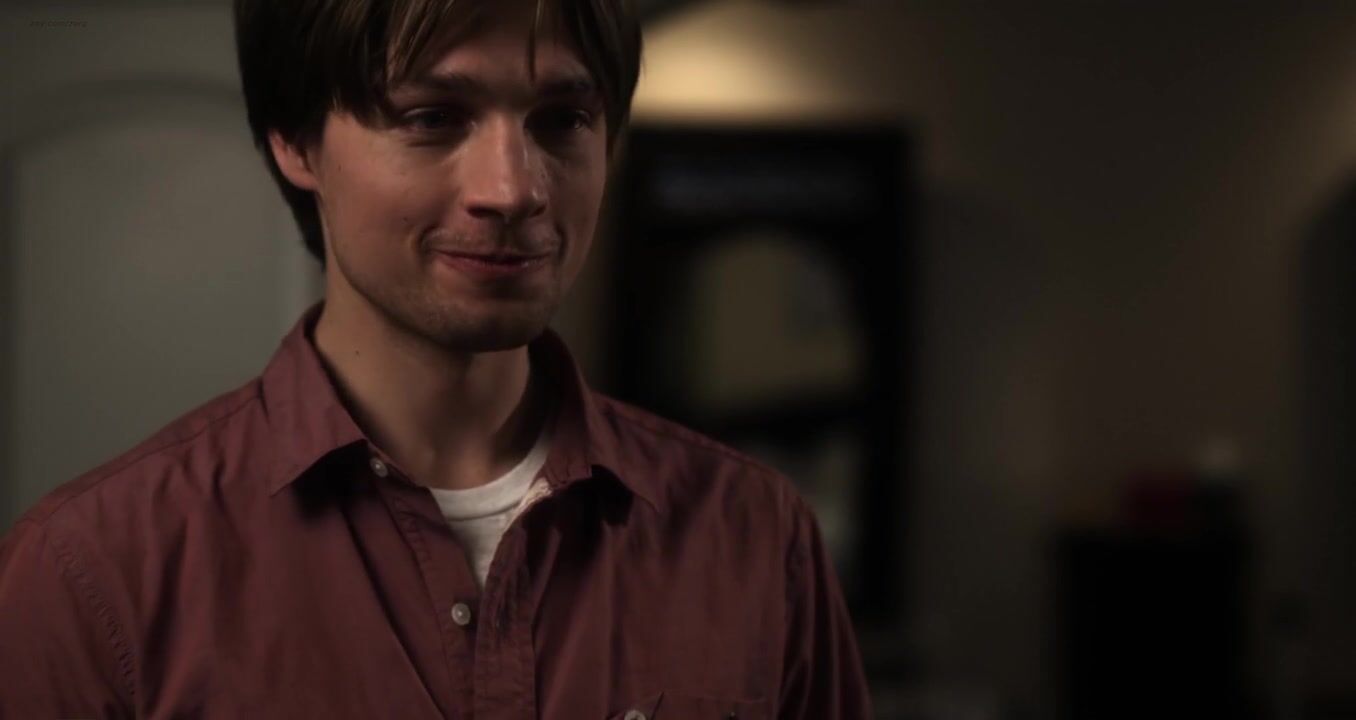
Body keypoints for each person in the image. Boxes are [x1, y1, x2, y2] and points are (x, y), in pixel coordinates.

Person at [0, 0, 873, 717]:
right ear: (295, 141)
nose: (512, 189)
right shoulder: (95, 573)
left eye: (562, 120)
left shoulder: (755, 538)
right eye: (432, 118)